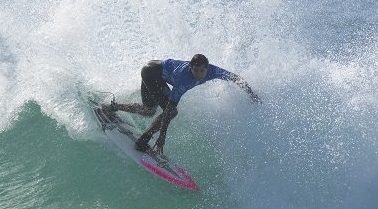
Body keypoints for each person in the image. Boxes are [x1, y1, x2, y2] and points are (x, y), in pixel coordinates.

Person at [102, 54, 261, 155]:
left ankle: (111, 108)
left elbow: (235, 78)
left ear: (207, 69)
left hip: (153, 69)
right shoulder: (183, 79)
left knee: (149, 110)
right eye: (195, 71)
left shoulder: (213, 71)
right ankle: (142, 142)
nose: (199, 75)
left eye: (202, 71)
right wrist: (162, 137)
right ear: (191, 68)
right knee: (172, 112)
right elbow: (169, 111)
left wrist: (252, 95)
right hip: (151, 73)